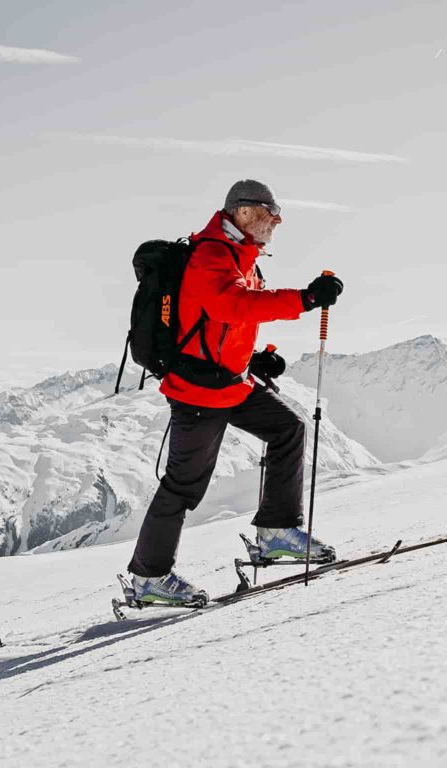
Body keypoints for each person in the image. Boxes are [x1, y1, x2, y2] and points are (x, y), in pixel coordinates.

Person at [126, 180, 344, 605]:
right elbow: (233, 305)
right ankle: (148, 578)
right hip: (199, 389)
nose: (277, 220)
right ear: (243, 213)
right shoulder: (211, 254)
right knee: (184, 486)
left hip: (229, 382)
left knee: (287, 428)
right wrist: (306, 298)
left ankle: (276, 532)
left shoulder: (245, 257)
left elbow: (230, 322)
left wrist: (254, 358)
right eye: (270, 211)